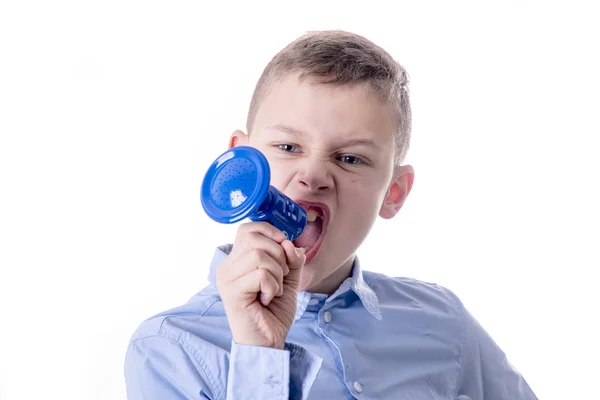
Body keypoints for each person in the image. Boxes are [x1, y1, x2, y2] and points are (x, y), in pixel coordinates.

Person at [124, 30, 538, 399]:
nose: (313, 175)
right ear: (240, 161)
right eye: (288, 147)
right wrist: (259, 354)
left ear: (393, 192)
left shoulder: (445, 324)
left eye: (351, 158)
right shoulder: (169, 348)